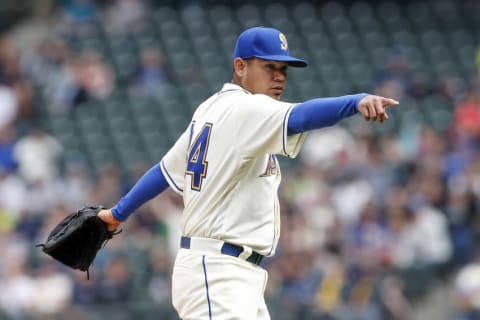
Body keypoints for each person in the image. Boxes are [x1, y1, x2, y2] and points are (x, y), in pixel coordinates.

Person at [98, 26, 399, 319]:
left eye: (284, 70)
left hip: (232, 273)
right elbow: (301, 116)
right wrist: (355, 102)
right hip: (218, 272)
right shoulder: (246, 109)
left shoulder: (209, 110)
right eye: (269, 67)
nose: (280, 77)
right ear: (240, 67)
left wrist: (117, 214)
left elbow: (163, 172)